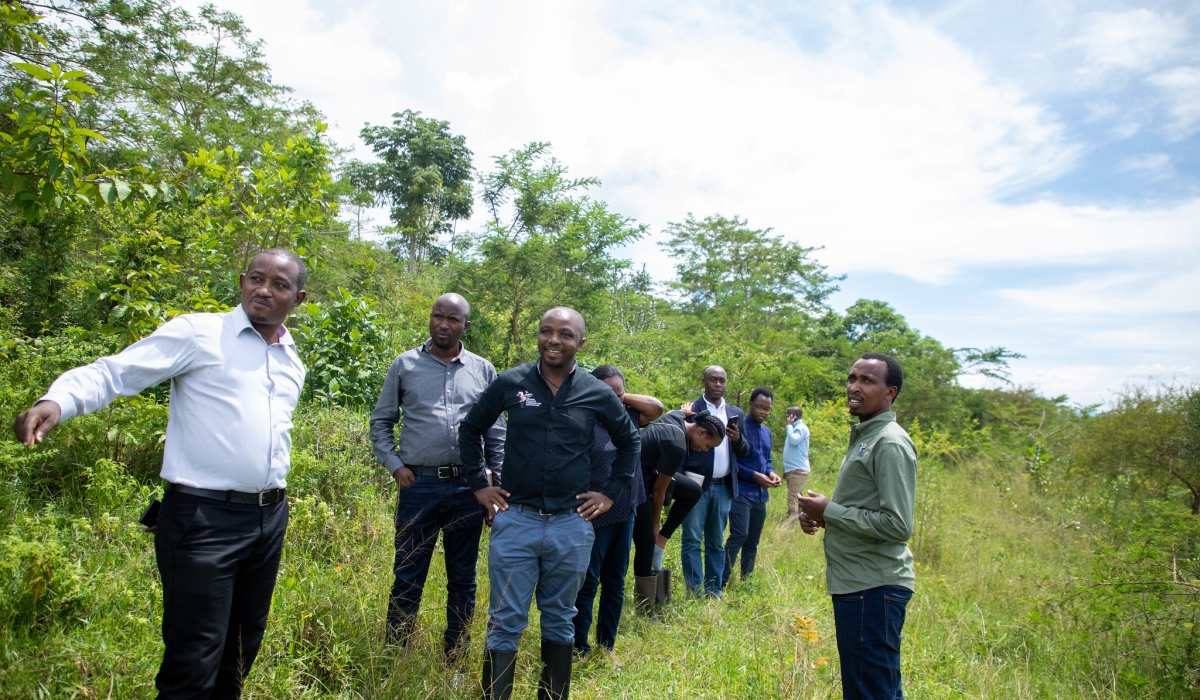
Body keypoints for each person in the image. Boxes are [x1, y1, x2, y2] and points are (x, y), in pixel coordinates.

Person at [12, 249, 307, 698]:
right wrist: (58, 401)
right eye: (256, 278)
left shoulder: (291, 361)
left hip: (268, 521)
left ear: (298, 299)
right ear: (241, 281)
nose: (263, 290)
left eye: (279, 285)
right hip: (204, 520)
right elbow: (116, 373)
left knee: (240, 657)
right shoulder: (200, 333)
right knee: (193, 664)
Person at [459, 307, 640, 700]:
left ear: (581, 342)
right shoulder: (511, 383)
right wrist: (479, 484)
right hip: (516, 520)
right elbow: (471, 428)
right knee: (505, 620)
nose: (554, 340)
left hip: (570, 526)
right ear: (537, 335)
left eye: (565, 334)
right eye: (546, 331)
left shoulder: (595, 391)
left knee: (560, 619)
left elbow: (630, 442)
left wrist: (610, 492)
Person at [368, 293, 506, 661]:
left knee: (463, 578)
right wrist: (395, 465)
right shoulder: (405, 365)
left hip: (469, 488)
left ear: (466, 326)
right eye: (437, 316)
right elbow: (381, 421)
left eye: (452, 319)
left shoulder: (483, 370)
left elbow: (496, 434)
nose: (443, 324)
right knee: (408, 571)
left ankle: (455, 657)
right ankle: (394, 655)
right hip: (420, 485)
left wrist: (495, 488)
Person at [798, 352, 917, 700]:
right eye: (852, 378)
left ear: (890, 391)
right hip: (857, 583)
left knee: (870, 692)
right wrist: (823, 516)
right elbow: (866, 509)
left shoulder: (890, 442)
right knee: (872, 689)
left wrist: (831, 511)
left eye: (867, 380)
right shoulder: (867, 435)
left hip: (874, 586)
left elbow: (897, 525)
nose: (854, 386)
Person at [570, 364, 662, 663]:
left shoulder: (628, 417)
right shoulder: (583, 420)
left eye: (619, 393)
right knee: (588, 583)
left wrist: (620, 396)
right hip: (592, 515)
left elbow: (657, 407)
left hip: (626, 511)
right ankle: (578, 647)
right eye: (606, 394)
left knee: (615, 582)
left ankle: (606, 645)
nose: (613, 399)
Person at [628, 409, 726, 614]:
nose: (704, 450)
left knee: (692, 490)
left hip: (649, 472)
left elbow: (678, 411)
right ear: (700, 433)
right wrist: (655, 524)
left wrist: (687, 410)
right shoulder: (677, 447)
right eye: (708, 445)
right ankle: (645, 608)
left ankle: (661, 596)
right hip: (634, 479)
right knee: (646, 542)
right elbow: (658, 491)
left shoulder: (677, 419)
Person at [679, 366, 749, 596]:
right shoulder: (692, 409)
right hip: (695, 486)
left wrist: (738, 440)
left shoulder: (735, 412)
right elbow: (681, 445)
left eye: (722, 380)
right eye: (713, 379)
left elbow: (747, 451)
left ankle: (713, 591)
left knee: (716, 542)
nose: (718, 384)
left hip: (723, 487)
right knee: (691, 539)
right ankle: (694, 591)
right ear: (703, 382)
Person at [722, 387, 780, 587]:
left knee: (752, 542)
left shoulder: (767, 433)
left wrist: (771, 473)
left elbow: (768, 460)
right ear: (750, 404)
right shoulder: (738, 428)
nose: (762, 412)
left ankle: (747, 582)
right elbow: (731, 462)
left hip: (760, 495)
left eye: (767, 409)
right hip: (742, 491)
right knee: (739, 534)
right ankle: (720, 581)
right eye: (759, 407)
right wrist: (754, 475)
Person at [782, 406, 811, 524]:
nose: (786, 416)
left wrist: (789, 426)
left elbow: (794, 440)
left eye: (789, 414)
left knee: (792, 496)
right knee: (798, 496)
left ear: (795, 416)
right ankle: (805, 517)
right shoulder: (794, 428)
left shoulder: (800, 428)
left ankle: (791, 523)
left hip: (799, 470)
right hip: (792, 469)